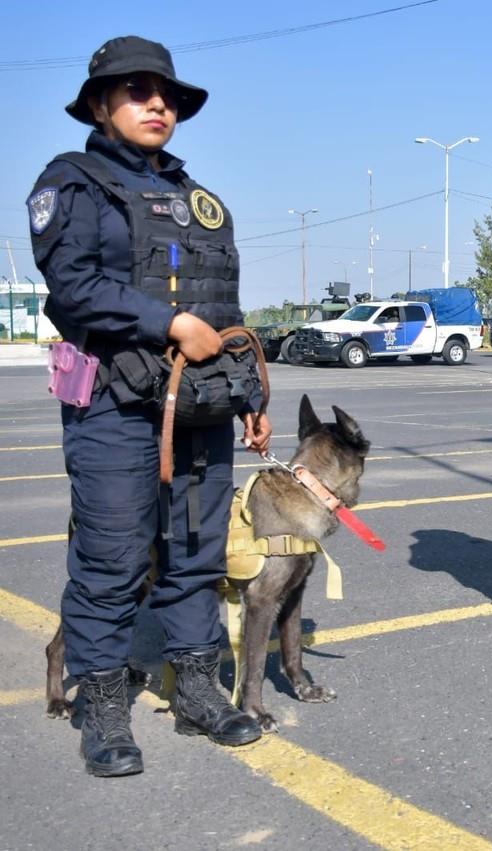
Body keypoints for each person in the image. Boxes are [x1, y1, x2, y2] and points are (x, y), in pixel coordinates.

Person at [27, 35, 269, 777]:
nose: (156, 103)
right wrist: (166, 324)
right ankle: (101, 707)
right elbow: (73, 289)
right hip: (113, 404)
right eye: (135, 91)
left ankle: (196, 686)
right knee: (111, 558)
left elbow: (220, 306)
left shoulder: (196, 201)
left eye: (164, 93)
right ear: (100, 105)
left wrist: (250, 394)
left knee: (196, 551)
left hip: (200, 403)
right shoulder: (73, 183)